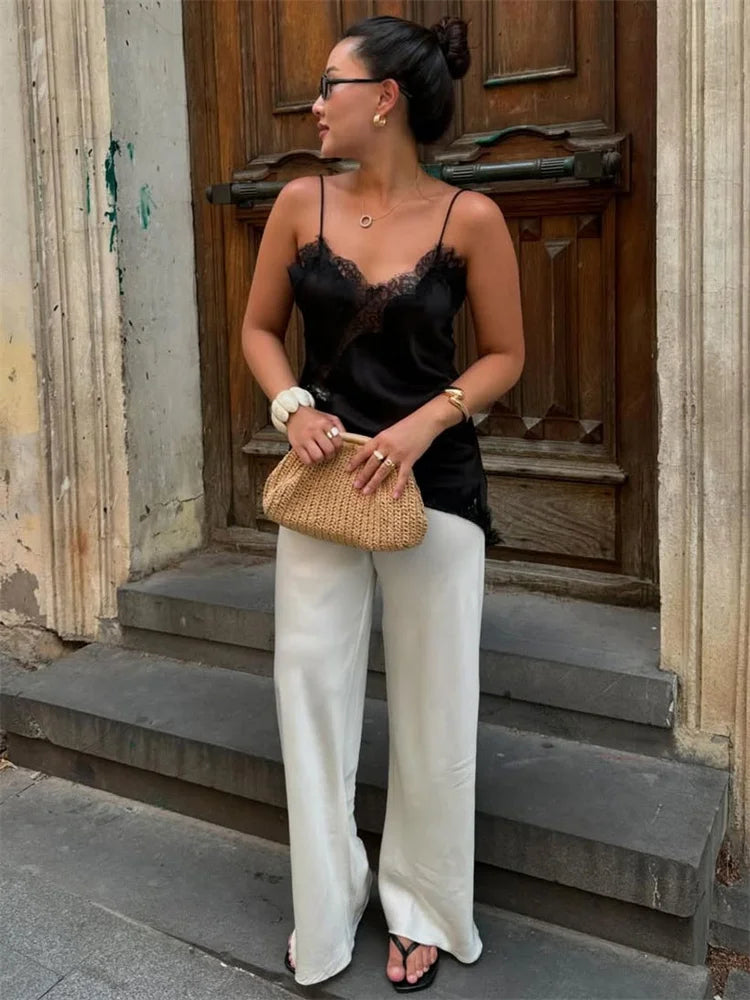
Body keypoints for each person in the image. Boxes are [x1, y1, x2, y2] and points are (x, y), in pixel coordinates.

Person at [241, 13, 524, 992]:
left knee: (436, 707)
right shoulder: (298, 202)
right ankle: (326, 905)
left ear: (385, 99)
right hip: (324, 485)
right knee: (309, 693)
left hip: (433, 487)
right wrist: (291, 408)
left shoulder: (470, 219)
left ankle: (424, 907)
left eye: (332, 84)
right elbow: (259, 330)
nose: (316, 104)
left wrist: (422, 426)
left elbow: (505, 356)